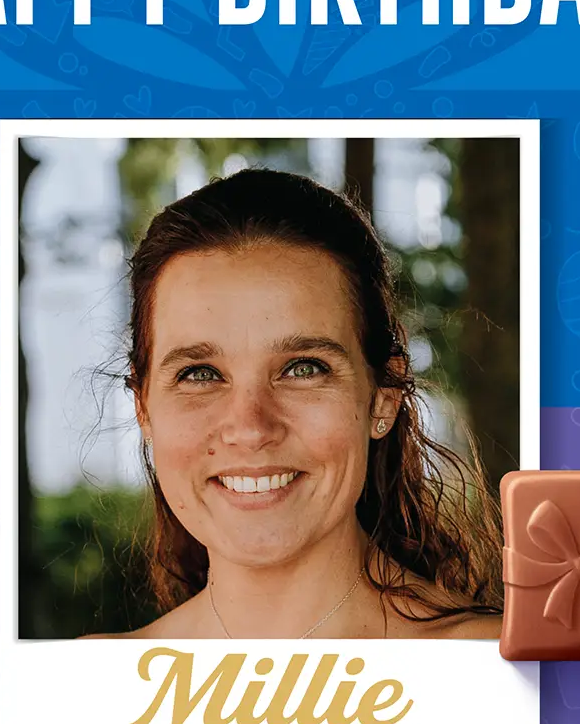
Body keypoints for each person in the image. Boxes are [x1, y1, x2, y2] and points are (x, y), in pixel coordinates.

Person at [86, 165, 504, 640]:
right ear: (143, 408)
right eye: (200, 374)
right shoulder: (86, 679)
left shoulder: (501, 669)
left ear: (383, 398)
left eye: (303, 368)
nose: (250, 428)